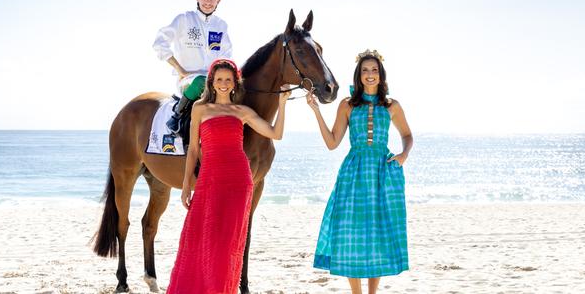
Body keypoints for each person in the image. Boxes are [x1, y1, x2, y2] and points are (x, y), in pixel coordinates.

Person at [166, 58, 290, 294]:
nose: (224, 84)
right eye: (219, 79)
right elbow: (193, 149)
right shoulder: (200, 109)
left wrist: (282, 105)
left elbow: (276, 133)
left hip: (239, 181)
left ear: (235, 83)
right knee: (200, 238)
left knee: (228, 243)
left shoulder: (242, 111)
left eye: (228, 80)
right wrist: (185, 187)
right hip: (209, 180)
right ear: (212, 83)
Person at [306, 50, 412, 294]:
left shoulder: (391, 106)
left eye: (374, 70)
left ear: (381, 74)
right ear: (358, 75)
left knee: (377, 233)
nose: (370, 74)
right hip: (353, 173)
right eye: (365, 70)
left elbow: (407, 135)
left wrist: (403, 155)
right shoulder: (347, 105)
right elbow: (332, 142)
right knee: (349, 230)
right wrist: (316, 111)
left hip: (382, 173)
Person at [153, 0, 233, 135]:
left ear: (219, 1)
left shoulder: (221, 25)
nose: (208, 2)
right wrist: (180, 70)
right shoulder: (183, 19)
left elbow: (227, 55)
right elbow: (159, 43)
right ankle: (176, 117)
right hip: (189, 80)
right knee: (200, 81)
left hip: (214, 79)